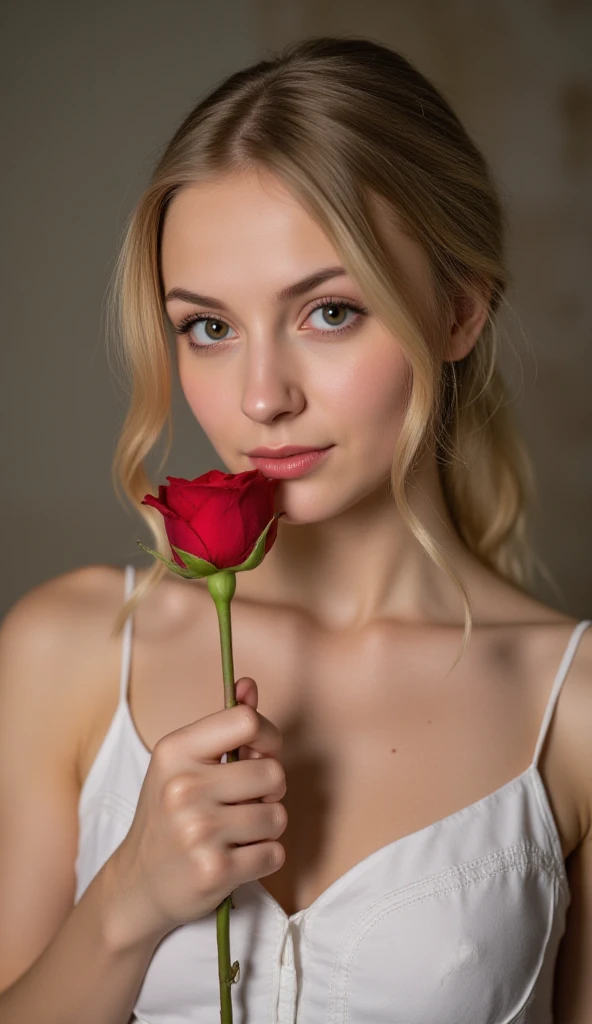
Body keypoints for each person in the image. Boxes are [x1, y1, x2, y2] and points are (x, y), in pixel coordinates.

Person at [0, 34, 590, 1024]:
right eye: (209, 327)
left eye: (326, 311)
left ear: (456, 311)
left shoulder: (571, 712)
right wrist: (126, 903)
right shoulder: (68, 647)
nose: (260, 397)